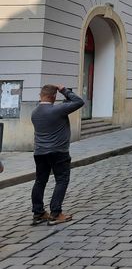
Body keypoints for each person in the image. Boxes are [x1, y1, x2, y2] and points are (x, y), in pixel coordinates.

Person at [30, 85, 84, 226]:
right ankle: (55, 213)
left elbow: (66, 104)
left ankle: (38, 213)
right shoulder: (57, 110)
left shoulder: (34, 112)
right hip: (58, 152)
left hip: (40, 152)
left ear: (40, 95)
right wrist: (64, 90)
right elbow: (78, 101)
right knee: (62, 180)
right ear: (54, 97)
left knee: (40, 181)